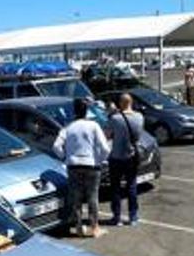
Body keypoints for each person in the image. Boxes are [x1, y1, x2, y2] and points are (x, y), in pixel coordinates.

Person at [54, 98, 112, 237]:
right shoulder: (93, 125)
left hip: (73, 165)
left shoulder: (68, 127)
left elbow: (56, 146)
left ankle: (79, 226)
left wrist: (65, 157)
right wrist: (99, 160)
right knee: (92, 196)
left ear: (74, 111)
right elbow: (105, 148)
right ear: (87, 111)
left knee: (76, 197)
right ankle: (95, 228)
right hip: (91, 165)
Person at [107, 93, 144, 226]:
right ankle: (133, 217)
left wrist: (111, 114)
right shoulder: (139, 117)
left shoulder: (115, 118)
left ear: (121, 104)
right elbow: (138, 136)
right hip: (132, 156)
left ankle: (117, 217)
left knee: (116, 187)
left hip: (116, 156)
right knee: (132, 186)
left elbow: (108, 135)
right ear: (131, 102)